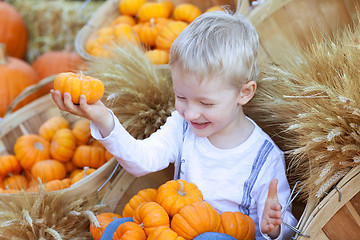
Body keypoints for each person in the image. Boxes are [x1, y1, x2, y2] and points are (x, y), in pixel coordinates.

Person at [51, 10, 297, 239]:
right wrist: (103, 118)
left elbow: (285, 224)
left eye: (206, 103)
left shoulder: (264, 158)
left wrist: (274, 229)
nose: (190, 113)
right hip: (175, 231)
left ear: (244, 93)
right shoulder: (182, 127)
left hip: (226, 235)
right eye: (181, 97)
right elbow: (141, 159)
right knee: (116, 228)